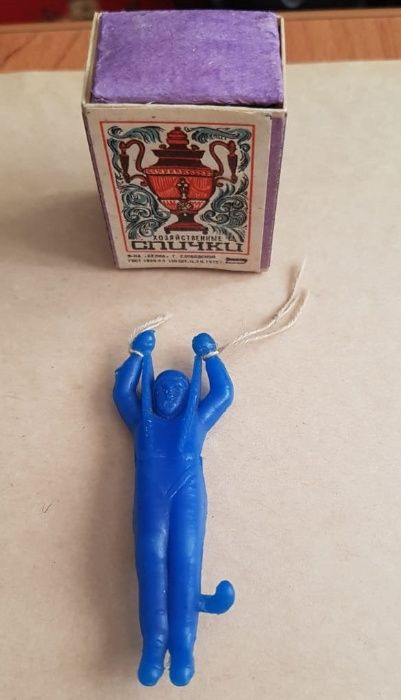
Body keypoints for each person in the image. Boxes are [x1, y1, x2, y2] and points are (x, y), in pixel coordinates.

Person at [113, 329, 235, 686]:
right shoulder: (142, 421)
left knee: (185, 560)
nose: (168, 393)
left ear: (187, 397)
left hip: (187, 498)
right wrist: (137, 356)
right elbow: (122, 393)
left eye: (177, 389)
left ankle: (183, 649)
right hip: (150, 500)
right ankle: (153, 647)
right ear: (152, 393)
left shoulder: (195, 421)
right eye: (163, 388)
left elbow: (223, 394)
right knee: (151, 562)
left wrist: (211, 357)